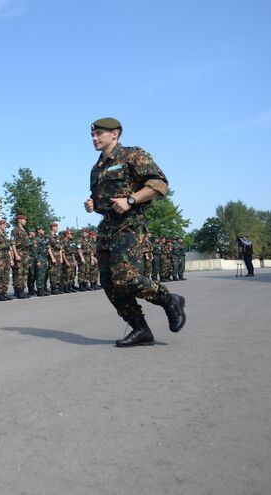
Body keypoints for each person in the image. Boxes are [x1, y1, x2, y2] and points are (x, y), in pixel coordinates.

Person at [84, 117, 186, 347]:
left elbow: (160, 184)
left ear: (115, 134)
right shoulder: (96, 169)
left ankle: (170, 300)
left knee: (125, 277)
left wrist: (131, 199)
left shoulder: (133, 155)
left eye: (99, 133)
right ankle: (140, 328)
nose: (94, 138)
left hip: (130, 224)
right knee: (109, 282)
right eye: (92, 134)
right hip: (107, 227)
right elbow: (104, 201)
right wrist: (92, 204)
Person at [0, 219, 14, 300]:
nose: (5, 226)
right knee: (0, 276)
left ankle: (4, 292)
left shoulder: (5, 235)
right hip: (0, 257)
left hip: (6, 257)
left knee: (6, 276)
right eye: (4, 225)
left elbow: (8, 249)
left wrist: (11, 259)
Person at [10, 214, 30, 299]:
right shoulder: (15, 230)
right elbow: (13, 243)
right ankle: (18, 291)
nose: (25, 221)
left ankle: (22, 290)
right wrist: (16, 254)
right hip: (19, 252)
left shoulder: (24, 230)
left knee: (24, 273)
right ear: (19, 220)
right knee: (19, 273)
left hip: (25, 254)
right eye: (24, 219)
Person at [32, 225, 50, 296]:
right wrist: (37, 261)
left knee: (44, 275)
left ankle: (43, 289)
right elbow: (35, 251)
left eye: (43, 229)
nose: (43, 231)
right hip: (40, 258)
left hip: (45, 258)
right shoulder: (35, 239)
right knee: (40, 275)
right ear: (38, 230)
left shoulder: (44, 238)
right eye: (42, 229)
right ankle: (39, 290)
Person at [47, 223, 64, 294]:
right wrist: (52, 258)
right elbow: (48, 248)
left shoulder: (57, 237)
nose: (57, 228)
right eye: (56, 227)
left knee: (58, 273)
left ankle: (57, 287)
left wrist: (61, 257)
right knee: (53, 273)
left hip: (58, 257)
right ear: (52, 228)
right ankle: (53, 288)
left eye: (57, 227)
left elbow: (60, 248)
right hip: (53, 257)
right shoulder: (49, 236)